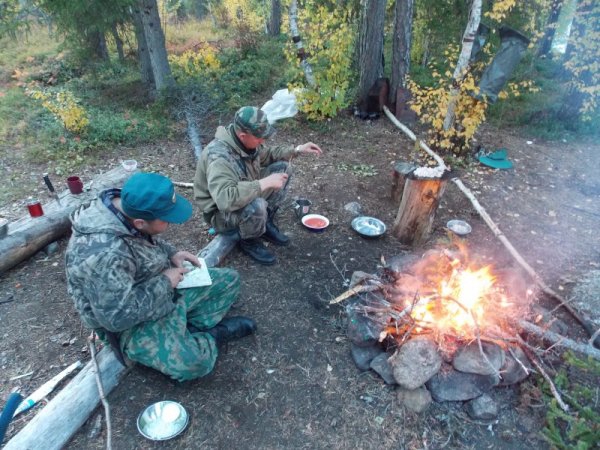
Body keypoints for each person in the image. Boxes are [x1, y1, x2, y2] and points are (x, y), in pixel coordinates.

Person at [65, 172, 256, 382]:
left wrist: (171, 253)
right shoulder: (103, 255)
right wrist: (165, 282)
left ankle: (179, 328)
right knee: (194, 363)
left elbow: (141, 239)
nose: (171, 223)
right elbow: (116, 319)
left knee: (229, 281)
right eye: (166, 219)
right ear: (139, 222)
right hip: (130, 322)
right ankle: (211, 336)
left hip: (156, 289)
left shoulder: (122, 207)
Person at [194, 106, 322, 265]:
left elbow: (267, 154)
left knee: (283, 169)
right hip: (220, 214)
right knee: (257, 204)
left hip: (242, 190)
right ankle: (249, 239)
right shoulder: (219, 158)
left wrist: (297, 149)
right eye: (260, 138)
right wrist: (264, 183)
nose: (263, 141)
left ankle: (264, 222)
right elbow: (225, 200)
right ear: (243, 135)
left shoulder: (245, 142)